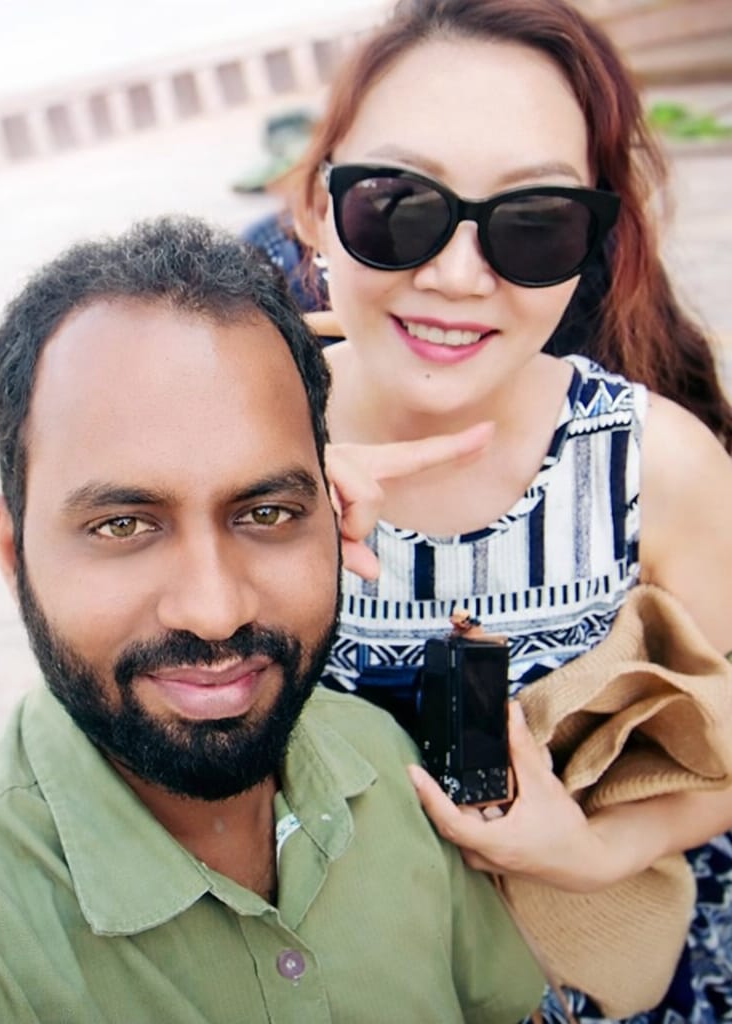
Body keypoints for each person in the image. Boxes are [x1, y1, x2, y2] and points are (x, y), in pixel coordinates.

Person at [0, 217, 544, 1023]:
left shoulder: (383, 764)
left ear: (334, 515)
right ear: (13, 554)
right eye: (122, 526)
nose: (215, 610)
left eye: (265, 512)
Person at [287, 1, 732, 1021]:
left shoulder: (652, 463)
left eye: (531, 223)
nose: (453, 275)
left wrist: (591, 847)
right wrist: (264, 498)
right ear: (318, 209)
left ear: (588, 243)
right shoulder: (231, 451)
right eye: (395, 205)